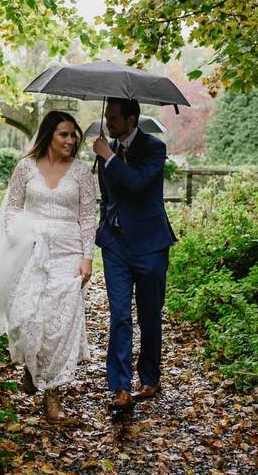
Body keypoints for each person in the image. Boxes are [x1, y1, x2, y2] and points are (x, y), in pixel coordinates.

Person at [0, 110, 96, 423]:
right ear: (49, 135)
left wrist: (87, 257)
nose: (71, 140)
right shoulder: (25, 167)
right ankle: (30, 367)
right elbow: (12, 208)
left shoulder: (81, 172)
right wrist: (18, 235)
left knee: (61, 323)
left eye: (73, 135)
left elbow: (88, 216)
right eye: (64, 134)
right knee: (26, 315)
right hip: (31, 253)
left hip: (69, 254)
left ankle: (53, 400)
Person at [92, 97, 176, 409]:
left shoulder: (154, 148)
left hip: (151, 244)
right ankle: (120, 387)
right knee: (120, 314)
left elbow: (139, 184)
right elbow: (108, 195)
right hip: (115, 245)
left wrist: (110, 158)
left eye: (115, 117)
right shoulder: (106, 149)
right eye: (109, 116)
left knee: (150, 315)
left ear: (132, 120)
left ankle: (150, 377)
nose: (110, 122)